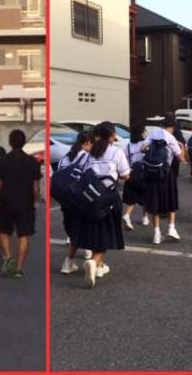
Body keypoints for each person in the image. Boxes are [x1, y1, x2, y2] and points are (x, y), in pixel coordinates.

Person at [70, 121, 130, 289]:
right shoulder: (116, 151)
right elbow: (126, 175)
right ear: (111, 135)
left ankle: (99, 267)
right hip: (108, 199)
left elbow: (83, 174)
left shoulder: (91, 153)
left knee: (95, 232)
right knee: (106, 234)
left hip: (90, 199)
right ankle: (94, 262)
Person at [0, 130, 42, 278]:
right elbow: (35, 186)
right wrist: (35, 200)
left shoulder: (2, 160)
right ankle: (19, 268)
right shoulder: (32, 161)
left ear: (10, 142)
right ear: (24, 142)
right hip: (26, 203)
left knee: (3, 231)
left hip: (5, 202)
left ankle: (8, 257)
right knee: (24, 235)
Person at [142, 115, 184, 244]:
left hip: (152, 174)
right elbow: (181, 158)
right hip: (166, 174)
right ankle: (171, 228)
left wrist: (152, 155)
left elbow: (142, 148)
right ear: (172, 127)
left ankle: (156, 234)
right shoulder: (171, 137)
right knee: (171, 201)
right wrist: (181, 147)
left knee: (155, 203)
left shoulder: (154, 133)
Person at [58, 131, 94, 274]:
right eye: (92, 144)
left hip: (65, 197)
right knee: (86, 225)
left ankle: (70, 262)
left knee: (74, 227)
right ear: (87, 143)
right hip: (80, 197)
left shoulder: (65, 157)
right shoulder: (87, 157)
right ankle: (86, 253)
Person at [122, 123, 149, 230]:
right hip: (143, 173)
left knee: (132, 197)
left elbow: (125, 161)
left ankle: (127, 215)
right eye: (145, 131)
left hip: (131, 173)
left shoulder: (127, 146)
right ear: (141, 133)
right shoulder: (144, 144)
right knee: (146, 195)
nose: (146, 132)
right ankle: (145, 217)